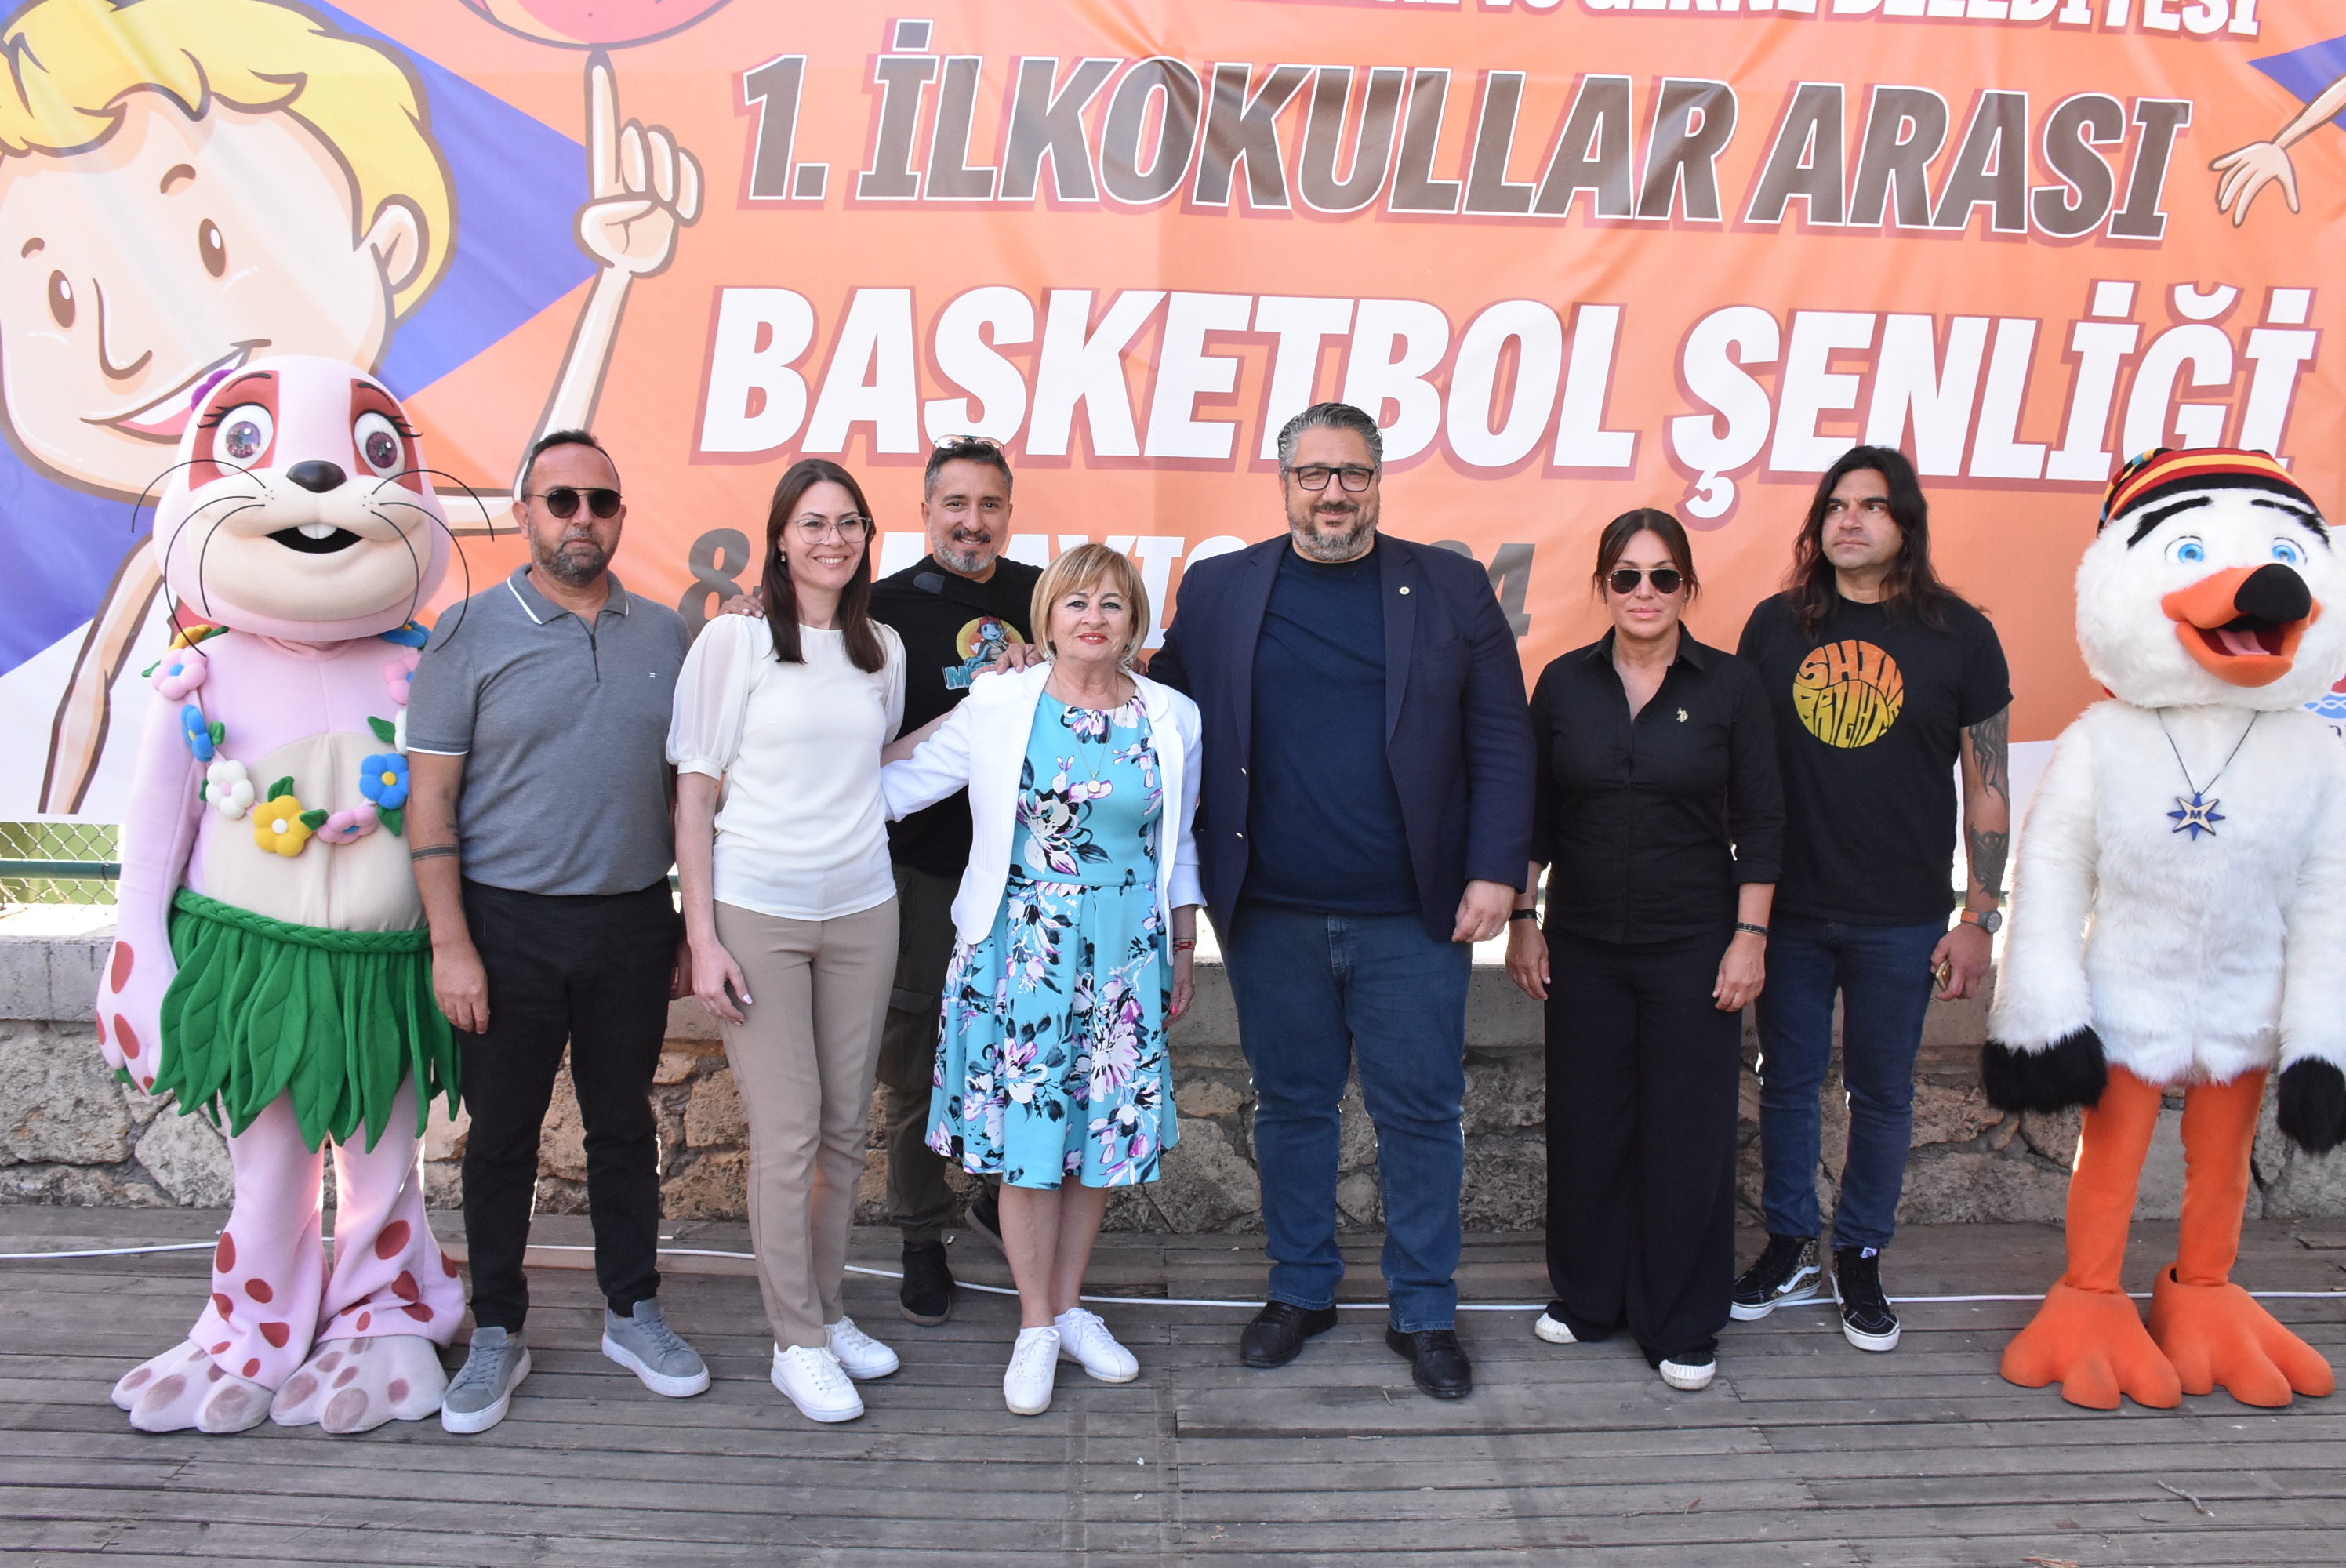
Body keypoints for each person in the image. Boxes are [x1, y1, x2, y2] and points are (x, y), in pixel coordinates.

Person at [1149, 401, 1534, 1402]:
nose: (1333, 492)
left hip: (1414, 914)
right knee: (1291, 1107)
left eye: (1352, 473)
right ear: (1283, 483)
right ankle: (1301, 1288)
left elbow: (1502, 736)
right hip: (1269, 910)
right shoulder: (1220, 588)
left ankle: (1425, 1307)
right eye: (1313, 473)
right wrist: (1047, 671)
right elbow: (1158, 715)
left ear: (1378, 480)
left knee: (1421, 1111)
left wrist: (1499, 872)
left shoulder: (1449, 586)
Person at [406, 430, 708, 1435]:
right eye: (562, 499)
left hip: (631, 920)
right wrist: (452, 943)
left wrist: (683, 920)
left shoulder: (666, 635)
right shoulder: (464, 632)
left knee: (623, 1125)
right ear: (525, 512)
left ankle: (633, 1310)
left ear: (620, 515)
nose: (583, 518)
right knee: (502, 1136)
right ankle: (498, 1328)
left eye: (601, 502)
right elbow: (429, 803)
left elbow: (686, 793)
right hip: (505, 925)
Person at [881, 543, 1202, 1417]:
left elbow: (1178, 841)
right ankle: (1033, 1326)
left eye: (1112, 603)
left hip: (1125, 955)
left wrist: (1182, 943)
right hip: (1020, 953)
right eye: (1075, 602)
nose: (1093, 618)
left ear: (1134, 621)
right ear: (1047, 617)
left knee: (1097, 1138)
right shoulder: (1001, 700)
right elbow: (901, 786)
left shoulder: (1172, 715)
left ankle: (1067, 1307)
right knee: (1030, 1141)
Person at [1732, 445, 2013, 1354]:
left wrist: (1979, 915)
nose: (1848, 519)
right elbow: (1738, 769)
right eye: (1835, 505)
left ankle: (1858, 1251)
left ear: (1906, 523)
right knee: (1784, 1081)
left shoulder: (1961, 634)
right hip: (1789, 910)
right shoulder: (1774, 626)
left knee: (1881, 1091)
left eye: (1872, 505)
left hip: (1901, 915)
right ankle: (1787, 1241)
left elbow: (1988, 786)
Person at [1505, 510, 1782, 1393]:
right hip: (1582, 943)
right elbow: (1534, 817)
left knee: (1687, 1134)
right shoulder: (1563, 684)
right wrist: (1523, 917)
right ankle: (1590, 1298)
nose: (1645, 592)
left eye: (1663, 576)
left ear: (1687, 587)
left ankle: (1681, 1318)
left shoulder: (1733, 687)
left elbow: (1763, 822)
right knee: (1586, 1125)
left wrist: (1749, 938)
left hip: (1694, 947)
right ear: (1603, 587)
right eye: (1626, 576)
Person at [670, 458, 907, 1425]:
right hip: (758, 909)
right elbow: (694, 793)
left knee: (844, 1128)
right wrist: (703, 937)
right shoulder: (733, 641)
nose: (833, 539)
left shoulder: (883, 648)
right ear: (778, 537)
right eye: (812, 522)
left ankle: (829, 1309)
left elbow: (876, 764)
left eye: (849, 522)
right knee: (789, 1130)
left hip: (863, 908)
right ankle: (794, 1340)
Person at [866, 437, 1042, 1323]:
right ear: (927, 509)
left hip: (1031, 876)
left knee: (1025, 1051)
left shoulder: (1046, 598)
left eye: (990, 504)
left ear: (1009, 511)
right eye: (956, 504)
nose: (973, 522)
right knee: (916, 1064)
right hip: (923, 872)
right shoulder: (879, 608)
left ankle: (999, 1203)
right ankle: (919, 1235)